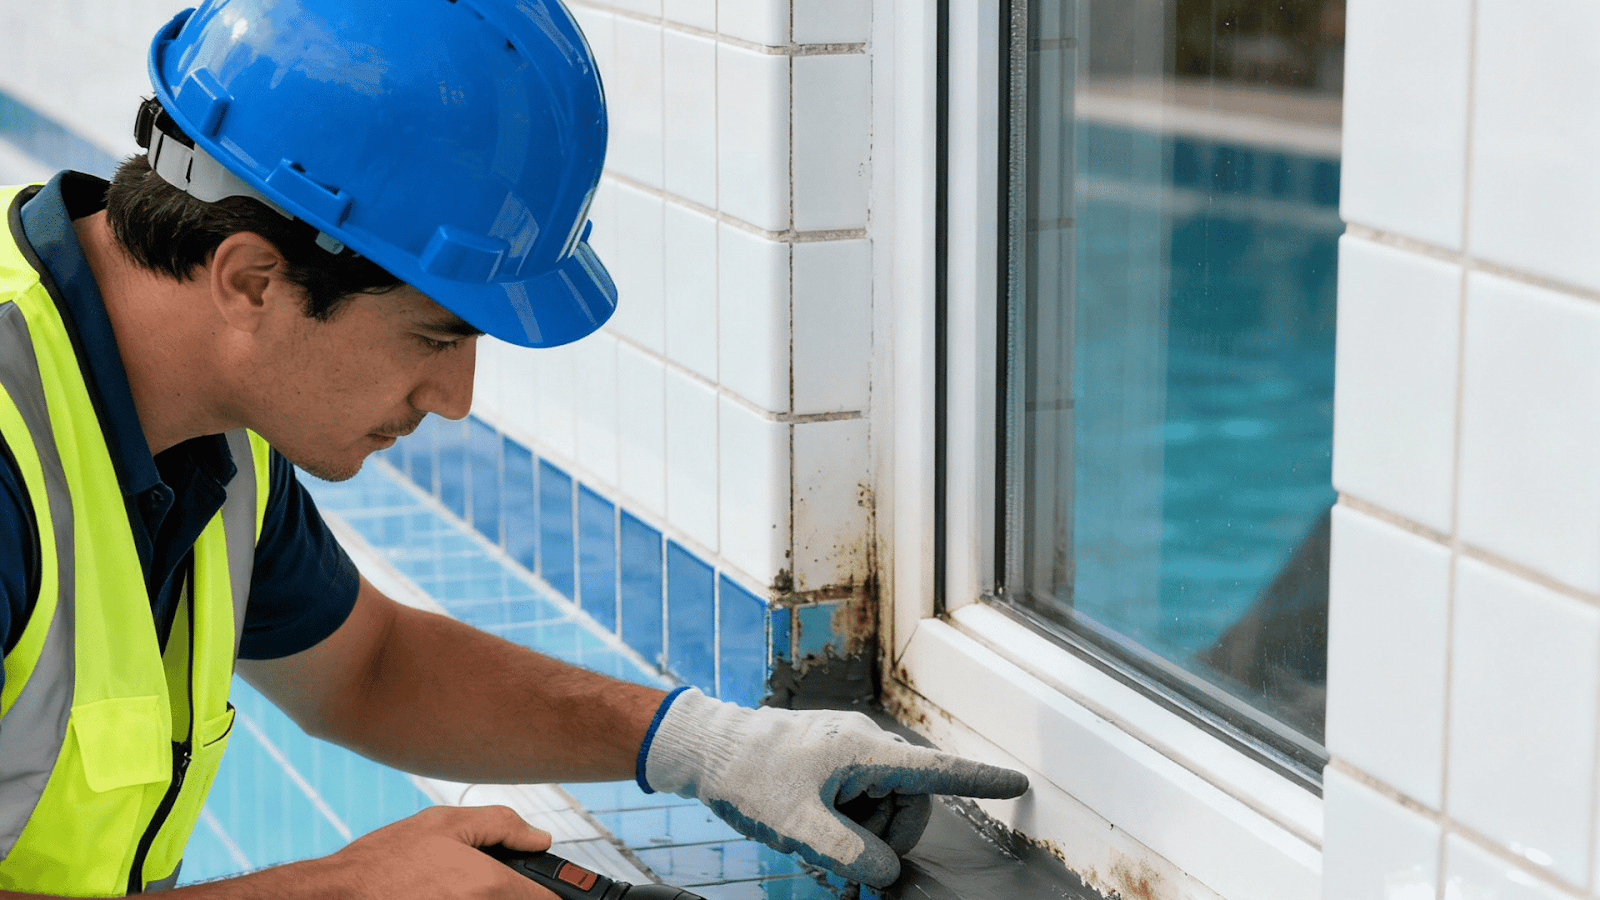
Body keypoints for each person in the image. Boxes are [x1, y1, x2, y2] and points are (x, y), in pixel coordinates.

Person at [0, 0, 1028, 897]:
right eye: (436, 337)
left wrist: (706, 746)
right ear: (251, 281)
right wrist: (346, 891)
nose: (454, 400)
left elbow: (366, 668)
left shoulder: (209, 422)